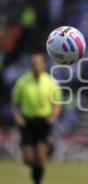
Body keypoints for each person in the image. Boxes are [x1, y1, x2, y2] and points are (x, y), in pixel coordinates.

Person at [11, 53, 62, 184]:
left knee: (40, 157)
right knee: (28, 159)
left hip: (43, 122)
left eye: (39, 63)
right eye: (34, 63)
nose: (36, 65)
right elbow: (15, 103)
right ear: (31, 65)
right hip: (27, 121)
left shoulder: (51, 82)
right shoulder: (22, 82)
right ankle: (34, 168)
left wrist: (53, 116)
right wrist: (17, 117)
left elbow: (57, 103)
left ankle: (37, 181)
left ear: (43, 65)